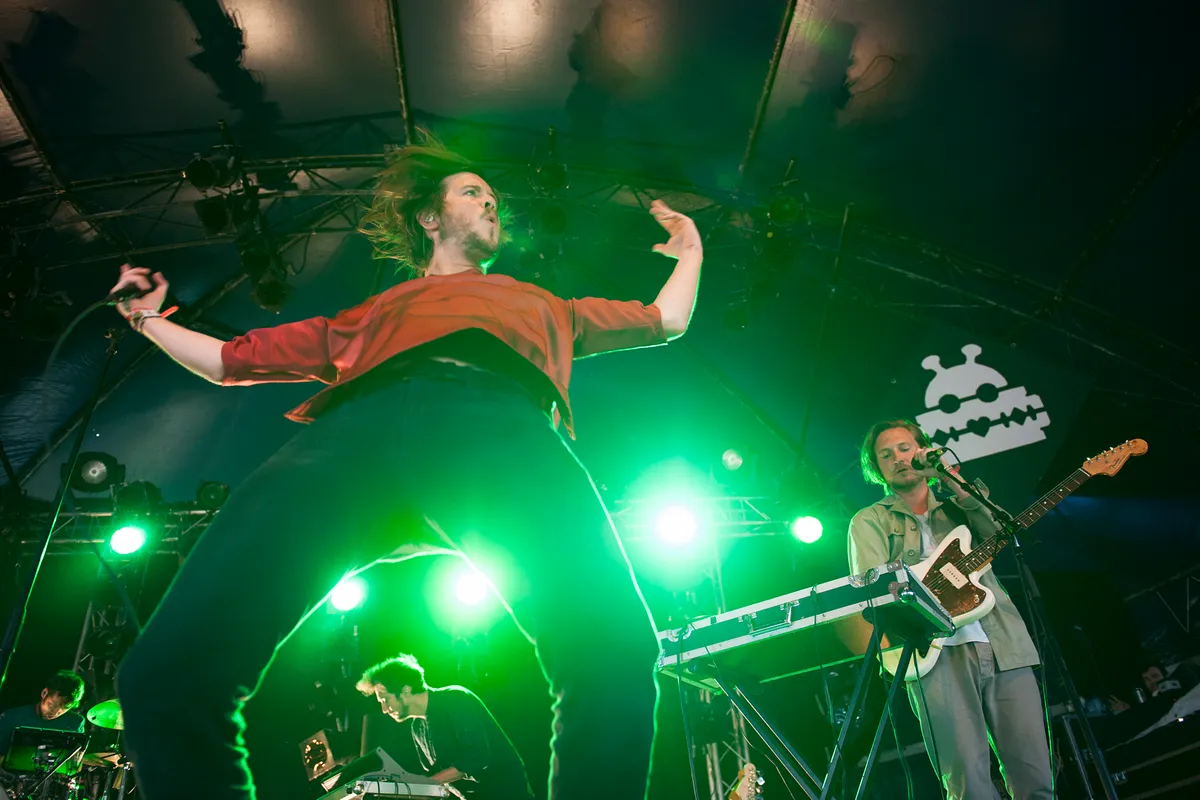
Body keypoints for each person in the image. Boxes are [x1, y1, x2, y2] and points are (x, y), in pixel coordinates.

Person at [110, 134, 703, 800]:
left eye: (493, 197)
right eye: (474, 192)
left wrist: (691, 252)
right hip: (358, 434)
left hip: (497, 425)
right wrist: (145, 318)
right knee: (164, 672)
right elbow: (227, 362)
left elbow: (667, 319)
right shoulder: (370, 313)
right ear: (429, 217)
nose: (492, 203)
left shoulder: (547, 306)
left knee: (614, 649)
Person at [847, 419, 1052, 800]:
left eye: (905, 448)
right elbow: (872, 591)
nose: (898, 459)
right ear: (876, 468)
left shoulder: (960, 503)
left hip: (1000, 640)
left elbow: (1001, 531)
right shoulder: (869, 520)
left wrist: (951, 479)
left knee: (1035, 771)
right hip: (933, 655)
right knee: (967, 783)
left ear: (923, 450)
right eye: (886, 455)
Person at [356, 654, 532, 799]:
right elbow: (438, 777)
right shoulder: (417, 728)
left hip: (507, 792)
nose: (384, 709)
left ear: (406, 690)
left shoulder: (456, 698)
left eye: (385, 700)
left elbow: (477, 757)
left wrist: (422, 784)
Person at [0, 670, 86, 766]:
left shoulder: (76, 722)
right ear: (44, 693)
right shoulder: (12, 717)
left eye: (64, 708)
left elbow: (73, 764)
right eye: (52, 705)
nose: (55, 712)